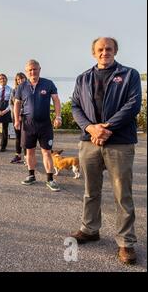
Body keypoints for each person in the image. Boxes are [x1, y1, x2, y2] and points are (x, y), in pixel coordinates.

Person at [69, 37, 142, 265]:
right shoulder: (83, 78)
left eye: (108, 49)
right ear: (94, 53)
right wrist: (91, 128)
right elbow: (75, 106)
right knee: (91, 191)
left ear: (115, 51)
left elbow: (133, 104)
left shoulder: (130, 75)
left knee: (123, 194)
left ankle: (126, 242)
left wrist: (107, 127)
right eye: (100, 49)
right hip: (89, 142)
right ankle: (90, 229)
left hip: (119, 142)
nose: (104, 52)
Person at [13, 60, 62, 192]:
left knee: (46, 151)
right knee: (30, 151)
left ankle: (50, 179)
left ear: (39, 69)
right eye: (30, 70)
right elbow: (17, 104)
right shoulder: (21, 86)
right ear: (26, 71)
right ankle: (31, 175)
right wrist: (16, 120)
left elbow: (56, 100)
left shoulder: (48, 83)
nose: (32, 72)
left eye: (35, 69)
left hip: (45, 124)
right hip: (27, 124)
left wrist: (58, 116)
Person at [10, 73, 27, 164]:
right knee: (18, 137)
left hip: (26, 117)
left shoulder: (29, 89)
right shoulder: (14, 90)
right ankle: (18, 156)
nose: (20, 81)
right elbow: (12, 104)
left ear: (25, 78)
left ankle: (26, 157)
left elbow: (28, 104)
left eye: (22, 79)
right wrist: (17, 114)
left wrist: (21, 113)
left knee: (25, 137)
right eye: (18, 79)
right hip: (15, 117)